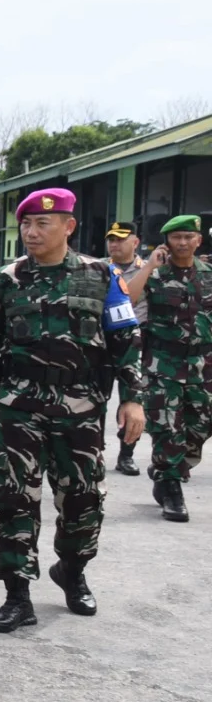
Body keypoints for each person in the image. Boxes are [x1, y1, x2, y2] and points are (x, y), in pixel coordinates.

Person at [0, 188, 144, 635]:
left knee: (83, 498)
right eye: (26, 224)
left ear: (69, 226)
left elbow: (126, 341)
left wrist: (133, 397)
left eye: (43, 224)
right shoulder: (7, 280)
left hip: (81, 407)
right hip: (20, 408)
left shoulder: (102, 277)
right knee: (14, 497)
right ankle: (17, 595)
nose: (32, 232)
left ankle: (73, 570)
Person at [123, 215, 210, 521]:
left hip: (204, 365)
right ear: (166, 242)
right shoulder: (155, 275)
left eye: (189, 237)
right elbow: (129, 298)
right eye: (177, 238)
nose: (183, 243)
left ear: (198, 240)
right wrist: (148, 266)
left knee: (202, 422)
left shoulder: (209, 274)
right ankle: (170, 485)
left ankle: (169, 467)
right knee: (166, 427)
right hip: (163, 364)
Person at [105, 220, 150, 475]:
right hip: (104, 340)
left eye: (121, 239)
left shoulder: (150, 270)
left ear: (135, 242)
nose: (114, 244)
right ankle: (93, 449)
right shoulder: (99, 268)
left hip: (136, 343)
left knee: (133, 397)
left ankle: (126, 454)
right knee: (95, 396)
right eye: (111, 239)